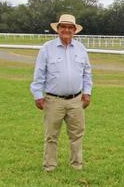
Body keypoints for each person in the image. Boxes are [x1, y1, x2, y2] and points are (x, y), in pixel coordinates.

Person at [30, 14, 93, 172]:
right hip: (53, 100)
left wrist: (87, 92)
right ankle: (50, 166)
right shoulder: (47, 49)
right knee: (51, 135)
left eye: (70, 27)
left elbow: (87, 73)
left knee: (77, 134)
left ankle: (76, 165)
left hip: (76, 100)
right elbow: (39, 74)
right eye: (63, 26)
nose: (66, 30)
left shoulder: (81, 49)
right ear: (57, 29)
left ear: (74, 30)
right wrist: (38, 95)